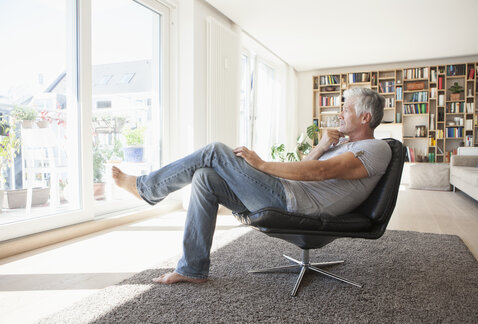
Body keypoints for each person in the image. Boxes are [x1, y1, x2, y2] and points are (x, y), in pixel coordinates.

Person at [112, 87, 392, 285]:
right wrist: (320, 146)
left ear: (365, 118)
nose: (340, 114)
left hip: (296, 204)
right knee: (205, 177)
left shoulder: (376, 148)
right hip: (286, 192)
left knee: (215, 151)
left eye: (346, 109)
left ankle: (147, 189)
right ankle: (192, 268)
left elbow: (319, 172)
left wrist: (262, 164)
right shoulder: (342, 143)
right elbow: (311, 164)